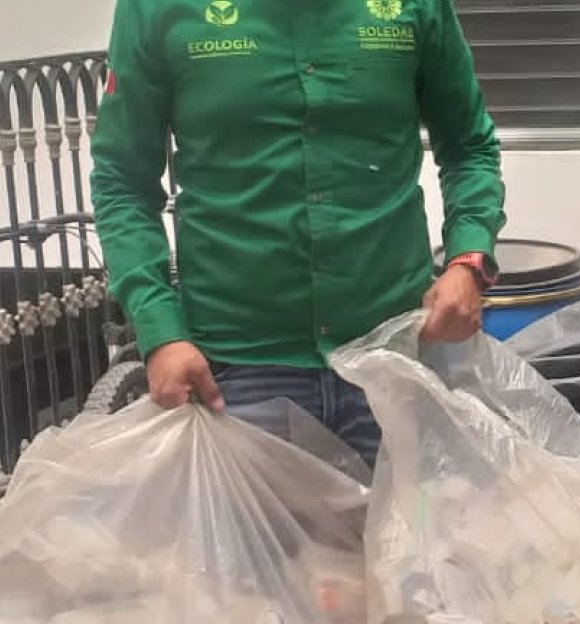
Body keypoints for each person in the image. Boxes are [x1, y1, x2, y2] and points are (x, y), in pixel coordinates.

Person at [90, 0, 504, 466]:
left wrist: (467, 261)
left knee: (407, 516)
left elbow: (469, 146)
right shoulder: (156, 8)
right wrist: (160, 331)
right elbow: (121, 183)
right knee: (247, 520)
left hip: (392, 357)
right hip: (236, 371)